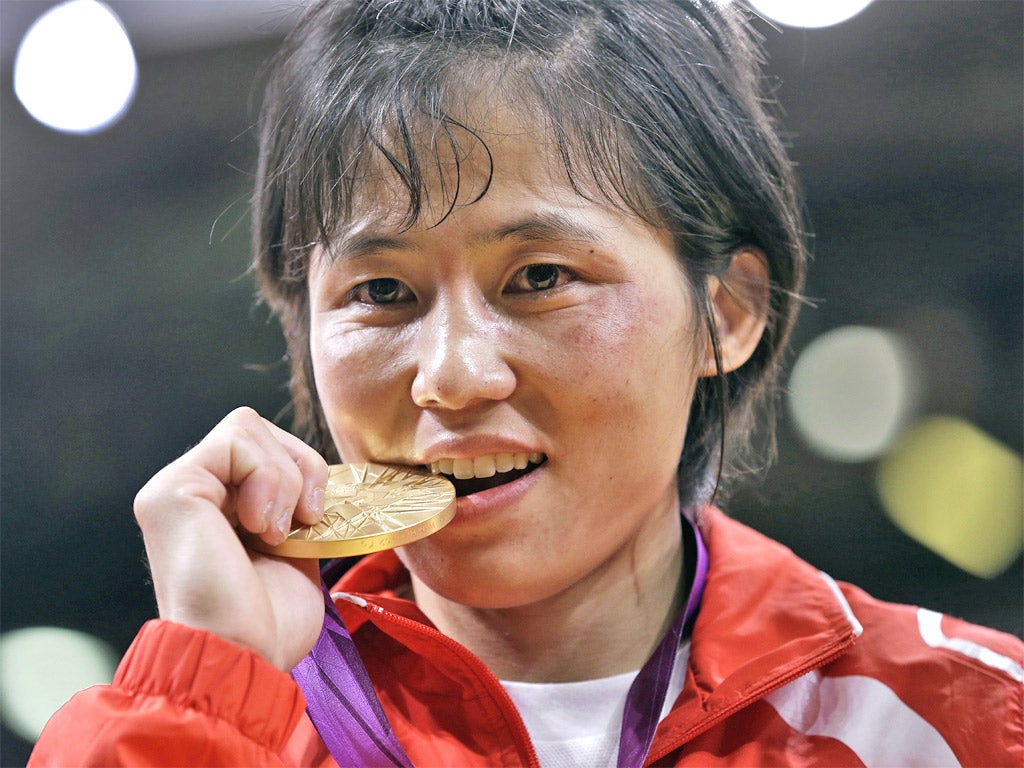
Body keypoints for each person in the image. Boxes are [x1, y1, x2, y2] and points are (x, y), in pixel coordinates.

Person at [30, 0, 1022, 765]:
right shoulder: (218, 728)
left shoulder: (962, 721)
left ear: (723, 312)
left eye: (540, 277)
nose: (453, 374)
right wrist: (202, 692)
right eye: (380, 291)